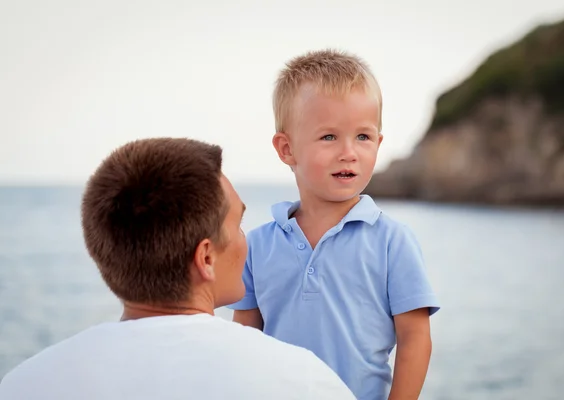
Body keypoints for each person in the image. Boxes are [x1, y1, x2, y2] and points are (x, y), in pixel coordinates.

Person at [0, 138, 356, 400]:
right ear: (205, 259)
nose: (245, 240)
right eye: (237, 224)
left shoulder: (24, 384)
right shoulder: (301, 381)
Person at [228, 50, 441, 400]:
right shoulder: (256, 246)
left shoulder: (392, 242)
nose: (349, 152)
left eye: (363, 137)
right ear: (287, 149)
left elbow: (416, 339)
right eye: (329, 137)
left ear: (378, 143)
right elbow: (245, 341)